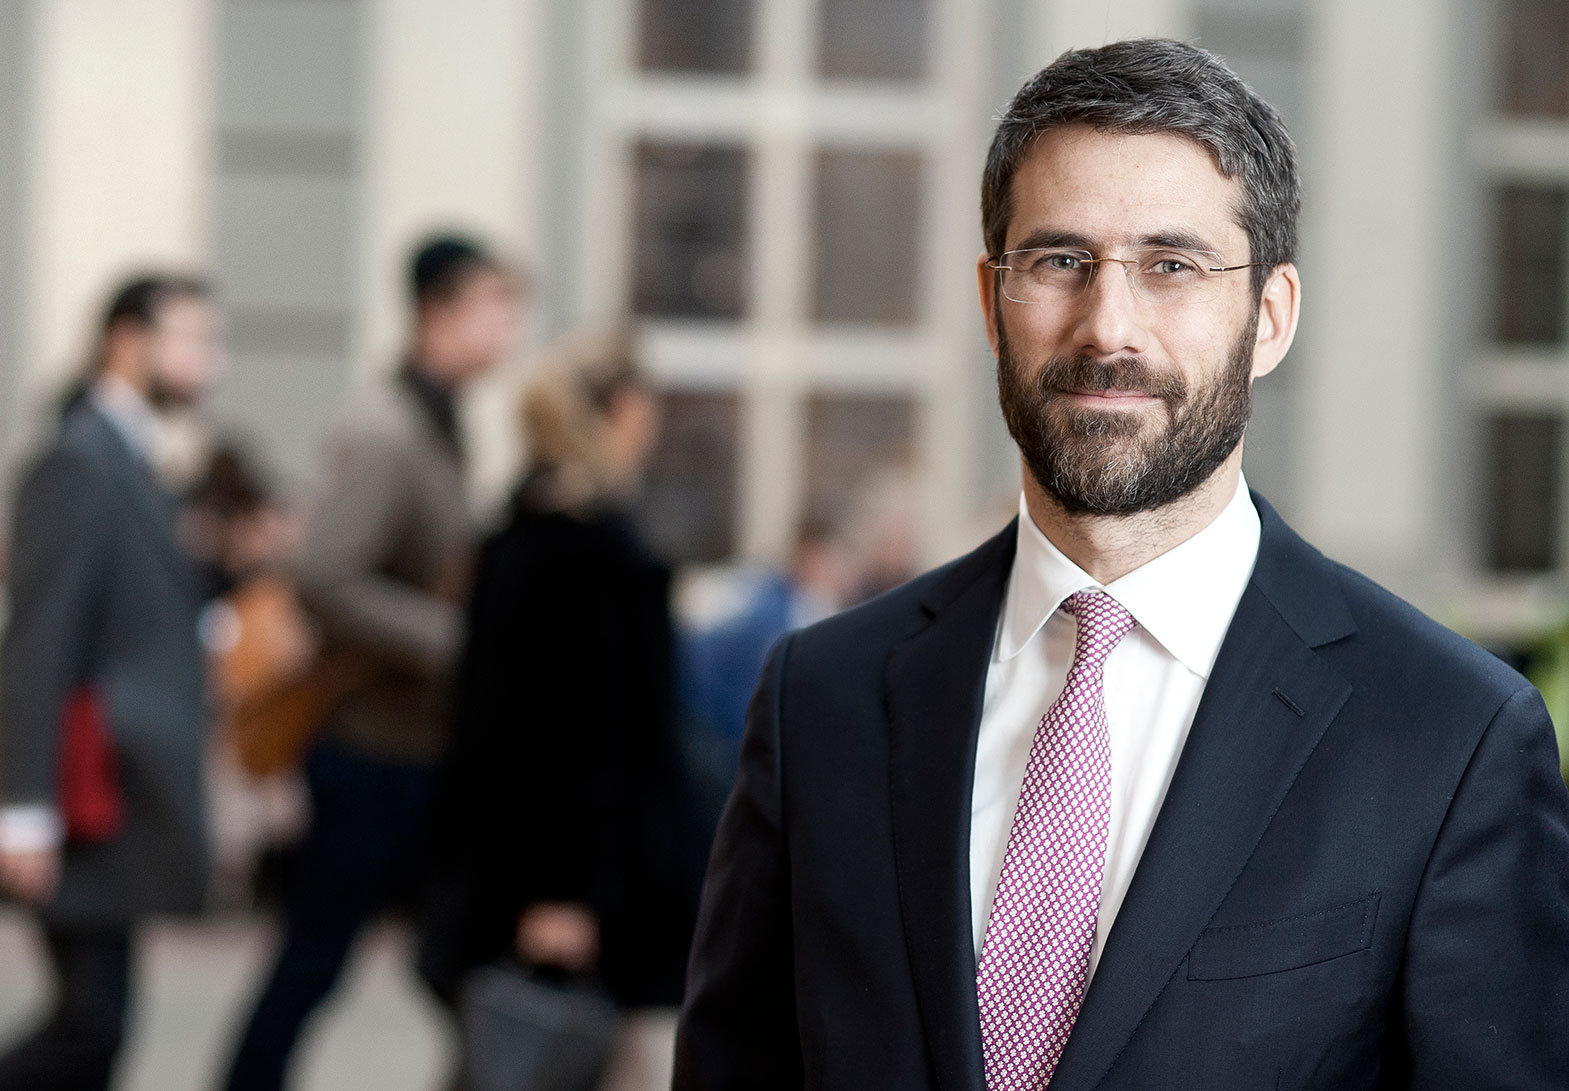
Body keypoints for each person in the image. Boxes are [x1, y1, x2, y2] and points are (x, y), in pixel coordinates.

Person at [674, 38, 1569, 1091]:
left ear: (1270, 316)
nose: (1108, 328)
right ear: (990, 301)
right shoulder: (822, 697)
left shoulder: (1449, 736)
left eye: (1171, 266)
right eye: (1059, 261)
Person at [218, 234, 523, 1091]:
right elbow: (324, 575)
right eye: (494, 306)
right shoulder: (388, 431)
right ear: (437, 314)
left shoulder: (438, 424)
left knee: (445, 959)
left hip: (413, 748)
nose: (508, 328)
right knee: (318, 960)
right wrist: (453, 639)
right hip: (371, 749)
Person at [426, 331, 703, 1090]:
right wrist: (564, 891)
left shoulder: (522, 538)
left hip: (539, 872)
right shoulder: (590, 555)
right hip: (575, 885)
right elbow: (566, 737)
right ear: (620, 413)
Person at [0, 273, 223, 1091]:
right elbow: (40, 636)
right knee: (88, 1026)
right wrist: (24, 807)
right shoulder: (79, 458)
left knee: (99, 1027)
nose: (212, 361)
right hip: (85, 783)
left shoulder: (130, 452)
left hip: (120, 786)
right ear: (128, 341)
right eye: (195, 339)